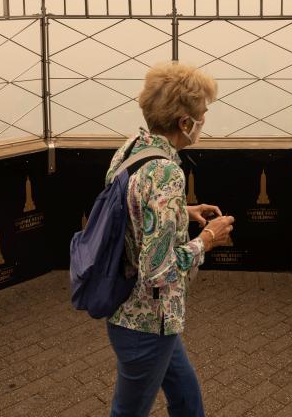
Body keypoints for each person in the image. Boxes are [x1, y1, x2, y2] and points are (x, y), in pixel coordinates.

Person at [104, 61, 235, 417]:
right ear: (184, 123)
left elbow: (133, 211)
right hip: (146, 322)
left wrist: (180, 212)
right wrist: (208, 238)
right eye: (202, 115)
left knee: (187, 398)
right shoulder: (166, 173)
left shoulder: (131, 149)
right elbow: (158, 270)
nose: (203, 122)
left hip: (142, 315)